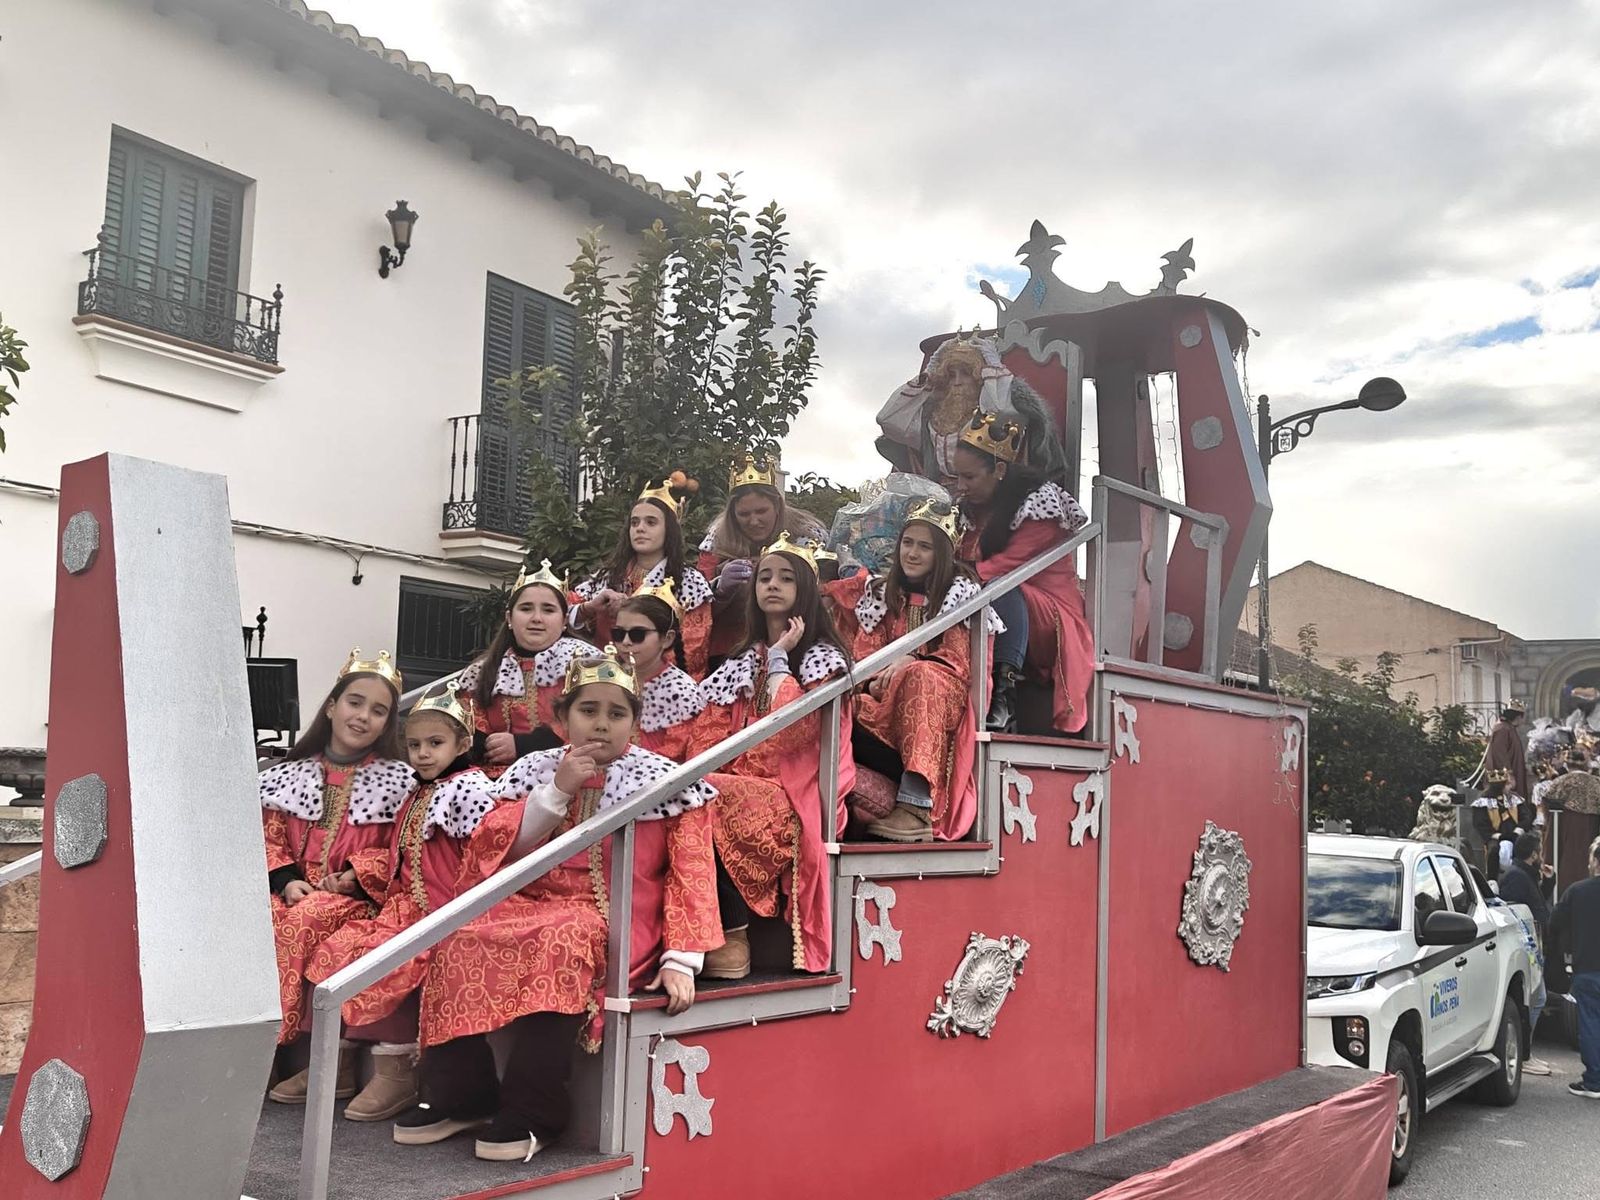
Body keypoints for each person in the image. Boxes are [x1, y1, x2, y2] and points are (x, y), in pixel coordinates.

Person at [398, 648, 719, 1161]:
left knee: (562, 937)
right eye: (588, 710)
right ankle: (462, 1092)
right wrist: (556, 791)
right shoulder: (534, 769)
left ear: (635, 722)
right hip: (529, 903)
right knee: (457, 933)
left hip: (616, 917)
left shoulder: (667, 780)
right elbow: (490, 851)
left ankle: (535, 1110)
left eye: (617, 713)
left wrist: (682, 959)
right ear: (561, 717)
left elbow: (692, 873)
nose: (601, 723)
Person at [300, 687, 499, 1121]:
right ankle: (339, 1064)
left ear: (463, 744)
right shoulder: (419, 790)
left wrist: (457, 910)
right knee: (339, 947)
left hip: (441, 911)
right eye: (414, 745)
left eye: (435, 744)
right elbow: (400, 853)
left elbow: (483, 857)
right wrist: (359, 874)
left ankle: (397, 1072)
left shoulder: (469, 790)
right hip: (403, 907)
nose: (423, 754)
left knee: (386, 960)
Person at [692, 534, 855, 978]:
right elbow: (707, 728)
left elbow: (797, 729)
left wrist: (781, 661)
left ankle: (735, 932)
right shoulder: (742, 658)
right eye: (765, 577)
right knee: (684, 794)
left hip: (790, 795)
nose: (773, 585)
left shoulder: (823, 658)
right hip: (740, 784)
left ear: (805, 589)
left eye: (786, 578)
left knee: (704, 796)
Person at [260, 650, 414, 1095]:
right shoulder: (287, 776)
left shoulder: (400, 782)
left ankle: (293, 1047)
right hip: (292, 890)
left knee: (305, 921)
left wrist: (354, 874)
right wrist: (287, 879)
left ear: (388, 724)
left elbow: (401, 847)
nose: (363, 716)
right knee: (259, 921)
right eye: (355, 702)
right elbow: (270, 838)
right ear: (331, 706)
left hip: (352, 898)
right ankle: (254, 1047)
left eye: (378, 710)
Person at [826, 498, 996, 843]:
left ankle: (917, 804)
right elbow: (865, 652)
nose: (913, 553)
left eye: (925, 547)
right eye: (907, 543)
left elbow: (959, 662)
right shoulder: (884, 594)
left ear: (942, 554)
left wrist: (914, 659)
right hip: (885, 699)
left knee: (921, 677)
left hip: (940, 697)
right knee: (831, 697)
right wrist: (872, 682)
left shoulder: (961, 593)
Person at [951, 411, 1093, 735]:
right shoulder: (971, 508)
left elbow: (1000, 569)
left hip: (1051, 617)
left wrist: (950, 577)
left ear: (999, 470)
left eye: (969, 477)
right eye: (958, 477)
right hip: (998, 604)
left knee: (998, 587)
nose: (960, 486)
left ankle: (1003, 696)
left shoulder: (1038, 503)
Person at [875, 333, 1068, 490]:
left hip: (986, 500)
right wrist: (929, 374)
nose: (957, 382)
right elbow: (888, 420)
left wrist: (994, 367)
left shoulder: (989, 412)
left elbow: (1003, 413)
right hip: (936, 501)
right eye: (951, 375)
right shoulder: (932, 421)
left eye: (965, 373)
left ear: (979, 378)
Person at [456, 560, 593, 777]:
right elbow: (467, 718)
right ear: (509, 618)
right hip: (491, 779)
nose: (536, 618)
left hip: (563, 777)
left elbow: (594, 722)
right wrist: (484, 744)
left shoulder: (586, 664)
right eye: (526, 608)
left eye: (548, 610)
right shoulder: (483, 670)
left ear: (564, 620)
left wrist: (524, 745)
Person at [571, 480, 713, 676]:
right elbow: (563, 613)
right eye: (634, 522)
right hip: (601, 681)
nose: (640, 528)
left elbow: (692, 650)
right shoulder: (608, 577)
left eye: (651, 522)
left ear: (668, 530)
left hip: (659, 688)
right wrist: (589, 609)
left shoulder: (689, 582)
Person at [697, 454, 828, 663]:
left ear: (777, 505)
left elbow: (826, 596)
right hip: (730, 654)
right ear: (733, 514)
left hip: (797, 646)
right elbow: (694, 608)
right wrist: (718, 591)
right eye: (744, 514)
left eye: (761, 511)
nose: (753, 520)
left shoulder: (807, 537)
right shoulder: (716, 543)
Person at [613, 586, 705, 762]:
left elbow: (675, 753)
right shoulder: (605, 675)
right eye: (618, 633)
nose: (625, 642)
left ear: (667, 638)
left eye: (637, 634)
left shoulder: (682, 692)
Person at [1497, 831, 1557, 1076]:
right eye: (1540, 850)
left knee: (1537, 998)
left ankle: (1525, 1052)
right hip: (1525, 945)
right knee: (1536, 998)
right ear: (1534, 854)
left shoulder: (1525, 874)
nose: (1542, 855)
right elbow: (1515, 910)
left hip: (1532, 944)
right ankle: (1523, 1053)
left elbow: (1537, 902)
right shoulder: (1517, 877)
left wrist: (1549, 882)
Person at [1552, 836, 1600, 1099]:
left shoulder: (1577, 891)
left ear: (1594, 861)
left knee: (1591, 1023)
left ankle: (1594, 1081)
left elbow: (1555, 921)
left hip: (1589, 966)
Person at [1486, 700, 1532, 823]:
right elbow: (1500, 754)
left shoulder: (1509, 728)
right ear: (1518, 717)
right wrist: (1509, 775)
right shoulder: (1502, 729)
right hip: (1505, 778)